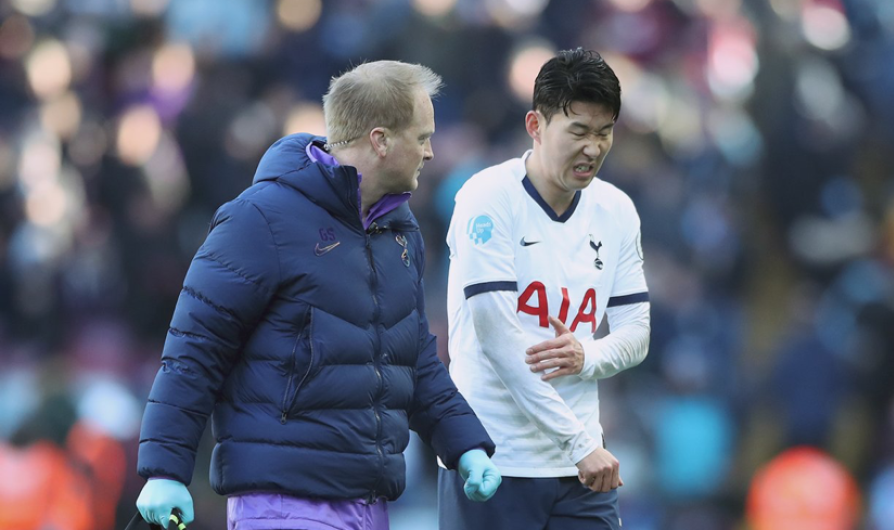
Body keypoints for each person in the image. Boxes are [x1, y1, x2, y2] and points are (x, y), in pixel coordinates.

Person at [135, 60, 500, 530]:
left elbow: (414, 361)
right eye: (422, 137)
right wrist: (164, 470)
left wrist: (465, 445)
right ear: (380, 140)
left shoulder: (401, 231)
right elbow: (195, 350)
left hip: (371, 504)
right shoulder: (259, 219)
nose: (430, 152)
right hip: (284, 504)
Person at [439, 48, 650, 530]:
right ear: (535, 125)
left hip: (584, 474)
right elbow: (498, 339)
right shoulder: (487, 199)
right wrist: (579, 444)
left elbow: (637, 332)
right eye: (578, 131)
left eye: (604, 132)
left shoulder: (617, 210)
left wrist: (587, 355)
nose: (593, 148)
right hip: (494, 462)